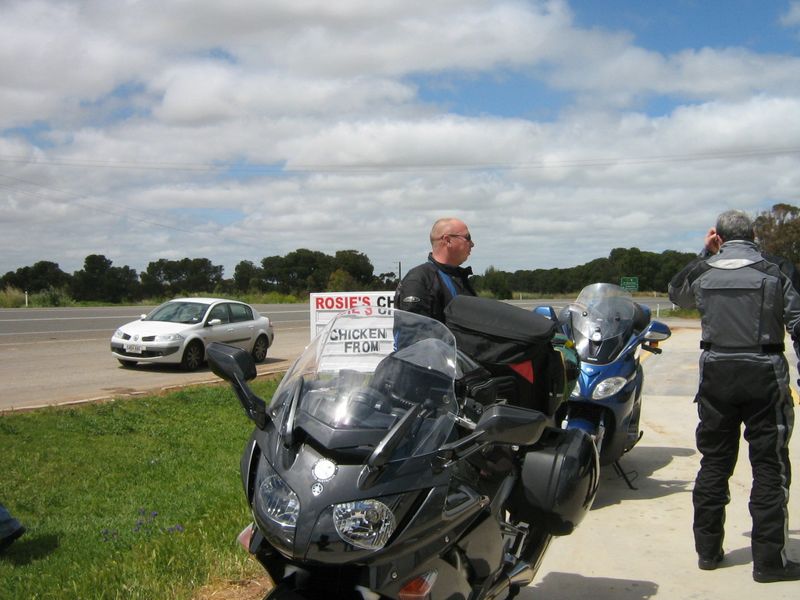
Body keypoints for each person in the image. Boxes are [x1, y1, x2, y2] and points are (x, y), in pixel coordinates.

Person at [668, 209, 800, 583]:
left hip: (716, 375)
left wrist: (705, 253)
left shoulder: (704, 270)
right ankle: (769, 562)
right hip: (764, 373)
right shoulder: (777, 269)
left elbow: (677, 295)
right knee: (770, 466)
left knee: (714, 463)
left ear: (719, 237)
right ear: (754, 234)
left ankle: (708, 552)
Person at [394, 217, 477, 323]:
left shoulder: (459, 278)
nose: (472, 244)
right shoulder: (419, 280)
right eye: (468, 237)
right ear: (448, 240)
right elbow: (413, 330)